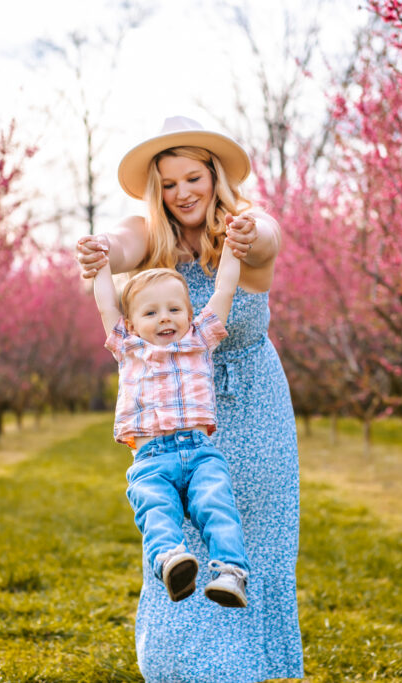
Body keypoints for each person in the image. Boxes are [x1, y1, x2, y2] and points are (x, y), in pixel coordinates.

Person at [76, 115, 303, 682]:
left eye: (193, 178)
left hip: (253, 409)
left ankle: (255, 672)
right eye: (169, 184)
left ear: (214, 176)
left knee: (252, 551)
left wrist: (249, 235)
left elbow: (268, 232)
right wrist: (102, 248)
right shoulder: (150, 235)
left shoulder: (245, 229)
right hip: (171, 417)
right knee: (177, 547)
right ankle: (183, 670)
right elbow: (123, 245)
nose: (182, 193)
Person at [93, 244, 250, 608]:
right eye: (151, 312)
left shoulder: (199, 340)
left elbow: (224, 289)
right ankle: (171, 563)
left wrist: (233, 249)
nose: (165, 318)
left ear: (190, 315)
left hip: (200, 453)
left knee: (217, 504)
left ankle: (230, 573)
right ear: (131, 324)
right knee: (155, 509)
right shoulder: (128, 346)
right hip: (150, 460)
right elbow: (105, 305)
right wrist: (100, 264)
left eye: (174, 310)